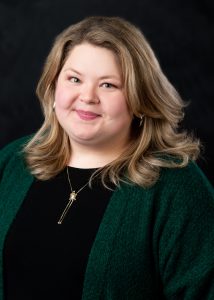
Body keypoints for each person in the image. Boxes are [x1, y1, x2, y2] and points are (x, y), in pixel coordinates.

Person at [0, 16, 213, 300]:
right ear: (53, 87)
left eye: (109, 85)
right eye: (74, 79)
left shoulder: (178, 189)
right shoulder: (12, 162)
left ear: (140, 99)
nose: (87, 97)